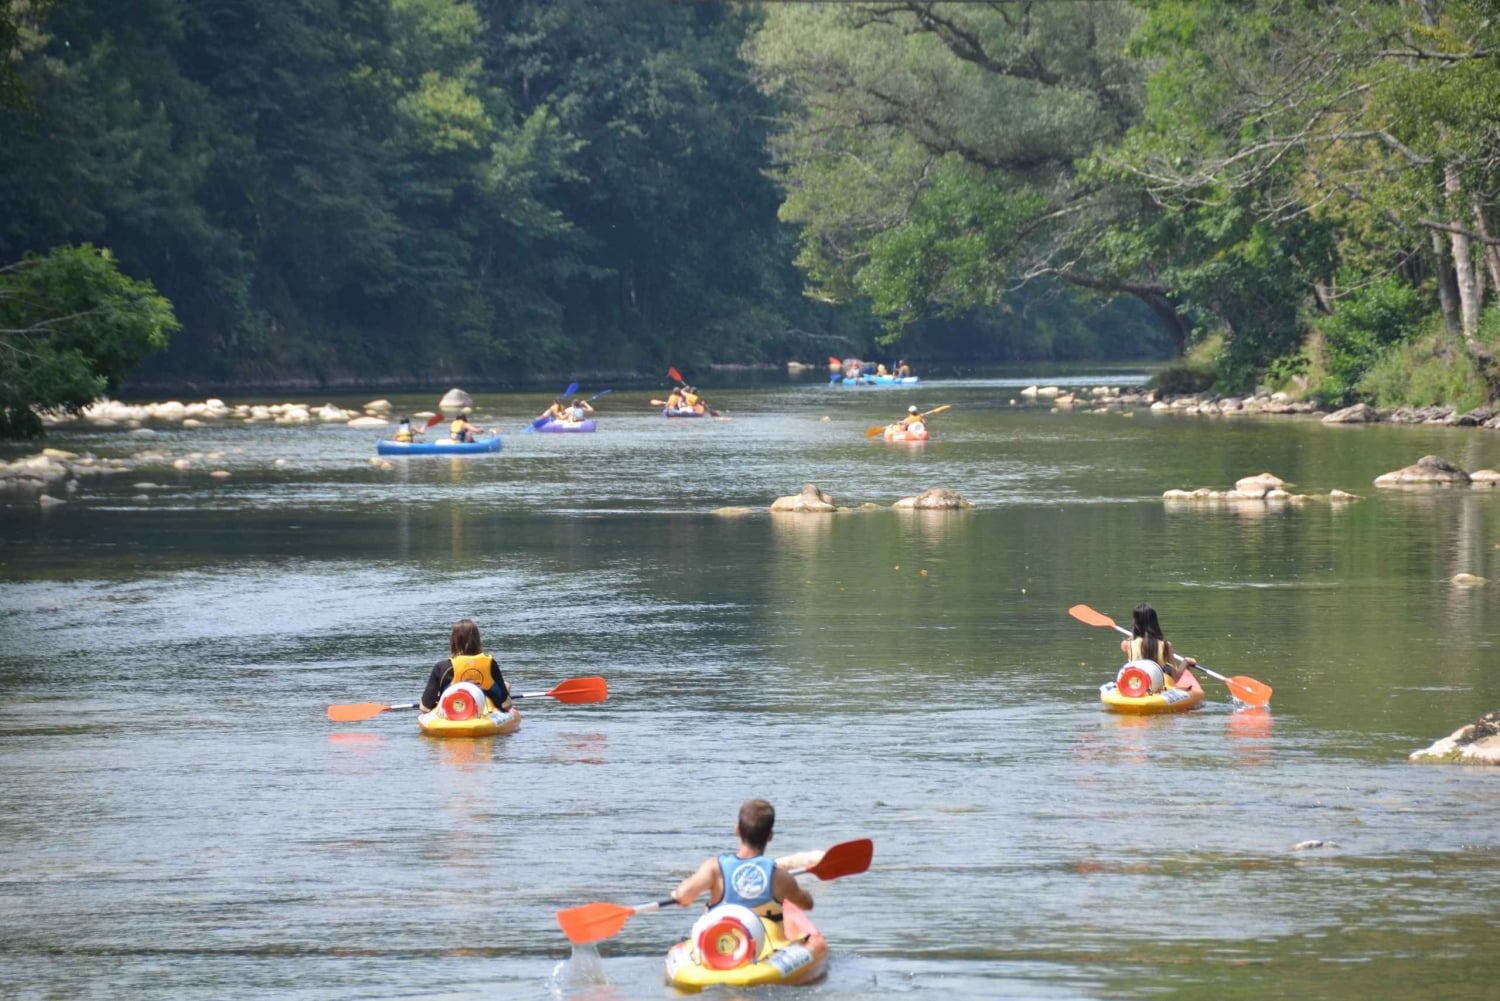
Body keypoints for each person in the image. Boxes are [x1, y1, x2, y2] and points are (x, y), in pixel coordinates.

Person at [671, 799, 813, 926]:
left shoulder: (715, 868)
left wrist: (678, 895)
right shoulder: (780, 877)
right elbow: (807, 904)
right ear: (770, 836)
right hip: (762, 947)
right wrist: (796, 888)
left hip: (722, 942)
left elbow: (684, 896)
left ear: (737, 830)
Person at [419, 619, 513, 714]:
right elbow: (506, 704)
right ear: (478, 640)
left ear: (453, 641)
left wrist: (437, 701)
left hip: (454, 710)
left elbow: (424, 708)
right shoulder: (490, 663)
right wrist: (507, 690)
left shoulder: (442, 667)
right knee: (506, 685)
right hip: (485, 712)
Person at [1119, 603, 1203, 696]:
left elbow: (1131, 641)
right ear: (1155, 623)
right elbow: (1175, 678)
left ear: (1135, 623)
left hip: (1136, 685)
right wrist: (1185, 662)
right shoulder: (1166, 645)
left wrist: (1134, 635)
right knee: (1167, 672)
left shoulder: (1127, 644)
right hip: (1158, 686)